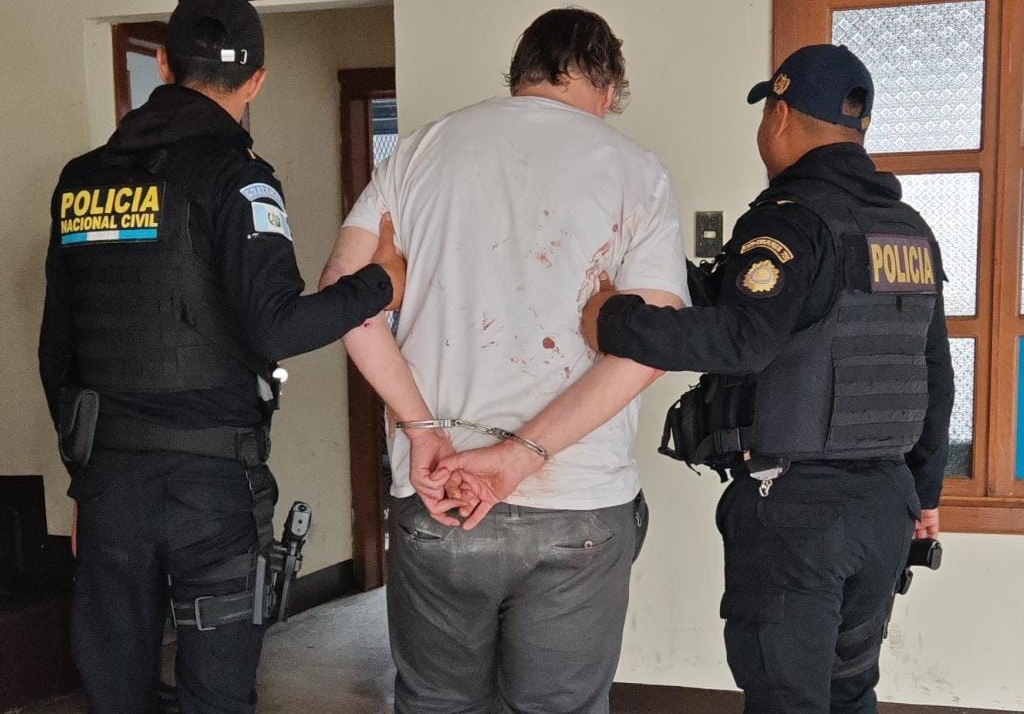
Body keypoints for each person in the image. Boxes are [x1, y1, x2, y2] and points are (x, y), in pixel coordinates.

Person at [319, 8, 688, 713]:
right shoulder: (636, 171)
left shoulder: (420, 151)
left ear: (519, 75)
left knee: (436, 702)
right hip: (578, 498)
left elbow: (343, 299)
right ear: (609, 88)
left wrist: (421, 427)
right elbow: (653, 345)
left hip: (438, 491)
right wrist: (522, 457)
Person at [38, 1, 403, 712]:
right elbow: (276, 327)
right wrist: (381, 283)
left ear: (165, 63)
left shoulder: (81, 179)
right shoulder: (238, 177)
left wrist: (88, 466)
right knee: (217, 694)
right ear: (257, 79)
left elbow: (58, 348)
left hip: (110, 478)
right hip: (210, 486)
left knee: (116, 690)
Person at [582, 44, 954, 713]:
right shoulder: (908, 231)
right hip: (886, 506)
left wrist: (613, 320)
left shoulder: (792, 219)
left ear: (779, 114)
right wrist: (924, 495)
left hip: (799, 514)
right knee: (849, 692)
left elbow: (742, 340)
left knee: (787, 699)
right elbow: (935, 374)